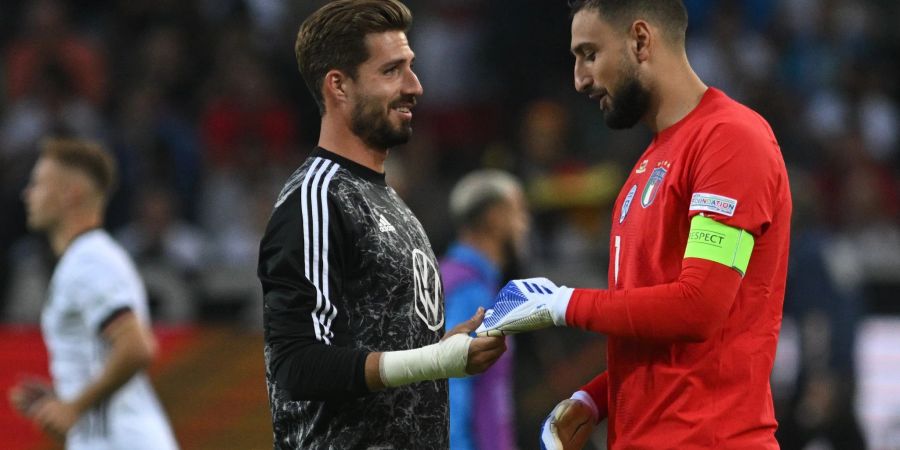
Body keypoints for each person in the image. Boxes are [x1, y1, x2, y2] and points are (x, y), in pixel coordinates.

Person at [477, 1, 792, 449]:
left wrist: (560, 303)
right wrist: (596, 399)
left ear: (640, 40)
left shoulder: (731, 140)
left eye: (589, 54)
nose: (580, 79)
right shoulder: (644, 168)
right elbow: (664, 338)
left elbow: (699, 307)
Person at [256, 1, 506, 449]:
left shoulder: (391, 202)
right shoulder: (317, 198)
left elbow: (392, 353)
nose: (416, 86)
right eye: (392, 71)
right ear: (339, 86)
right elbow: (296, 364)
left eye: (410, 68)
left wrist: (446, 351)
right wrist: (430, 361)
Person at [8, 138, 178, 450]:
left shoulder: (90, 261)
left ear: (70, 194)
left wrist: (73, 407)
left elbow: (137, 347)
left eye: (38, 184)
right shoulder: (88, 258)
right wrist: (61, 400)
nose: (27, 194)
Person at [441, 170, 529, 450]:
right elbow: (449, 382)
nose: (524, 225)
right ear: (494, 217)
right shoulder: (466, 289)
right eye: (518, 211)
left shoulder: (468, 282)